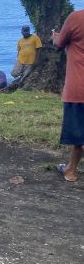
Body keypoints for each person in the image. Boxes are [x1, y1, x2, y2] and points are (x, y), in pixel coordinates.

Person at [52, 11, 84, 182]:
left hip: (78, 89)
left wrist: (55, 36)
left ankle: (71, 172)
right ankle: (70, 170)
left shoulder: (76, 18)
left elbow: (59, 43)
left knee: (79, 135)